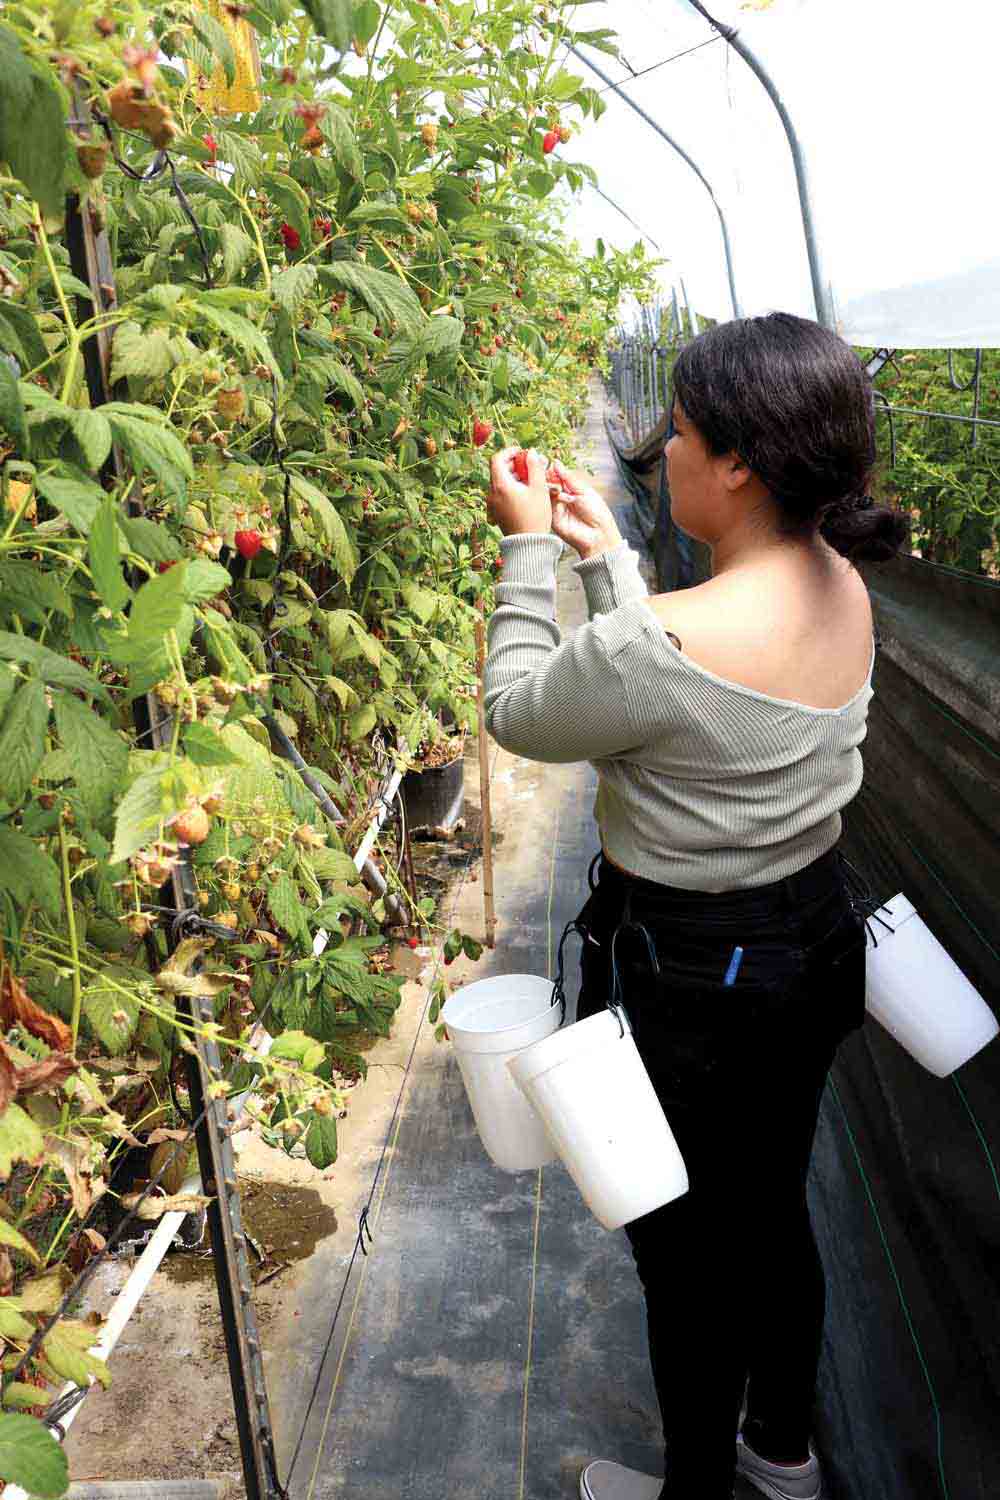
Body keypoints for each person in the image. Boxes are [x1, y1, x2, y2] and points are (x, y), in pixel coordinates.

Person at [482, 312, 910, 1500]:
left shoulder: (666, 643)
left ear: (736, 464)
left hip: (695, 978)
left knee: (683, 1253)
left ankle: (692, 1494)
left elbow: (525, 711)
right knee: (770, 1210)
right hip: (811, 941)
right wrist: (604, 553)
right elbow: (678, 692)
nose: (656, 448)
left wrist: (525, 554)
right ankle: (780, 1450)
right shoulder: (840, 584)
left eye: (676, 431)